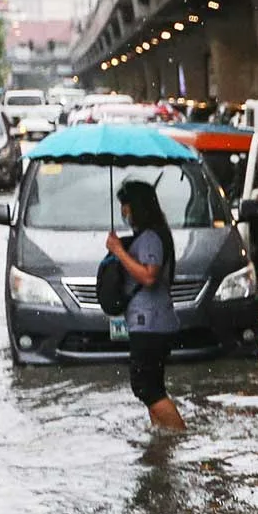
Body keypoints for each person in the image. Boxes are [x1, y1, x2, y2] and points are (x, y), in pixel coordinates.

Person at [105, 180, 186, 432]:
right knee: (153, 386)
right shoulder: (150, 235)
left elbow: (149, 276)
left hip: (151, 324)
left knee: (145, 387)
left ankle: (179, 434)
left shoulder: (151, 237)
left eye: (125, 206)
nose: (123, 212)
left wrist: (119, 251)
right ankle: (161, 441)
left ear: (136, 207)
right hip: (150, 322)